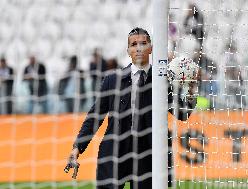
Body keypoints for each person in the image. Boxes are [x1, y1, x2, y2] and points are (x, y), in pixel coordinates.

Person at [64, 27, 197, 188]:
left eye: (143, 43)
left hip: (148, 153)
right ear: (128, 50)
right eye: (134, 44)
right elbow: (94, 117)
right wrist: (77, 148)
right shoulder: (112, 80)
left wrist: (191, 90)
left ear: (151, 48)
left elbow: (182, 114)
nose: (138, 48)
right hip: (115, 152)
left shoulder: (162, 81)